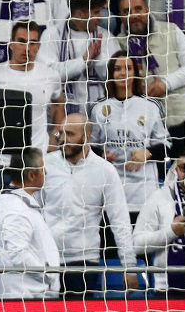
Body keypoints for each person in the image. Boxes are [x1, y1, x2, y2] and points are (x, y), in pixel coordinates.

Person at [43, 114, 138, 298]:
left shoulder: (105, 170)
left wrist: (130, 266)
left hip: (84, 261)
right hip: (47, 259)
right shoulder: (46, 164)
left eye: (70, 134)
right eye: (60, 134)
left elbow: (120, 220)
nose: (63, 139)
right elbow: (33, 209)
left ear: (86, 137)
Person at [0, 20, 64, 183]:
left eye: (33, 43)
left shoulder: (50, 75)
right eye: (22, 41)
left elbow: (58, 103)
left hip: (36, 165)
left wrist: (54, 137)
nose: (27, 48)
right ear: (11, 44)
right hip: (0, 165)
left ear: (39, 46)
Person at [117, 0, 185, 158]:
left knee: (184, 174)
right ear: (120, 16)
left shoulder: (170, 30)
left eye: (138, 9)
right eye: (127, 11)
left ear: (147, 9)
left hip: (180, 118)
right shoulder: (118, 43)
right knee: (154, 175)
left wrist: (165, 83)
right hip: (143, 126)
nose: (134, 15)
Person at [90, 52, 169, 219]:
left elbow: (168, 145)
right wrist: (102, 155)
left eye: (128, 68)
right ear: (111, 73)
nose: (123, 73)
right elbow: (89, 147)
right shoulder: (99, 108)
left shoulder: (150, 106)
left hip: (143, 191)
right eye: (117, 69)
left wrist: (147, 153)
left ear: (135, 73)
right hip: (110, 191)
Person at [0, 147, 61, 300]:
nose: (46, 173)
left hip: (28, 298)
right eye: (42, 169)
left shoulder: (16, 203)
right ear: (31, 175)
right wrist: (49, 275)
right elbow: (18, 255)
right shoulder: (14, 208)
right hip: (24, 301)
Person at [37, 0, 120, 112]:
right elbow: (47, 74)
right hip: (60, 115)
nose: (101, 18)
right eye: (96, 12)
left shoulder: (106, 37)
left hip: (99, 114)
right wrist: (83, 61)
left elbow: (116, 76)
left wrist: (97, 59)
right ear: (80, 14)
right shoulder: (52, 35)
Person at [133, 147, 185, 298]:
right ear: (176, 170)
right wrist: (171, 232)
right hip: (166, 291)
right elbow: (136, 245)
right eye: (183, 167)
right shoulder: (159, 198)